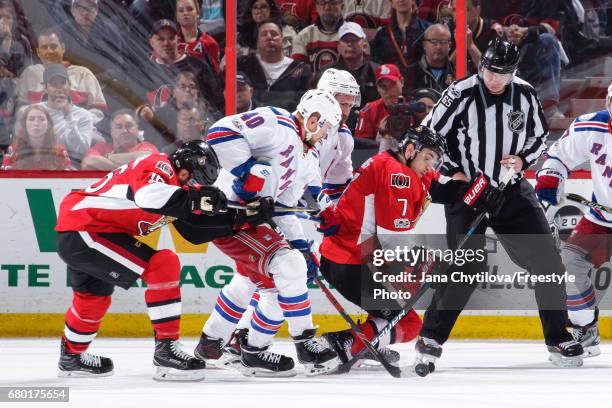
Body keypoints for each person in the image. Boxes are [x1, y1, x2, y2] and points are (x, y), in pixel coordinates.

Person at [415, 35, 584, 374]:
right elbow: (427, 135)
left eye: (502, 73)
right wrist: (455, 172)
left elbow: (539, 137)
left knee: (547, 260)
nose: (495, 79)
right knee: (466, 266)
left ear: (513, 72)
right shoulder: (460, 93)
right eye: (490, 71)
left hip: (510, 191)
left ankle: (557, 336)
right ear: (482, 67)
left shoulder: (524, 93)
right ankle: (430, 338)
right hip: (468, 193)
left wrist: (522, 161)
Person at [320, 126, 502, 369]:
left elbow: (442, 189)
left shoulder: (405, 167)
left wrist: (477, 191)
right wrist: (430, 266)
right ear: (409, 149)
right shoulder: (397, 174)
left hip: (348, 258)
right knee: (408, 325)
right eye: (428, 157)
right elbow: (391, 241)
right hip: (350, 264)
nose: (430, 165)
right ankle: (344, 344)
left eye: (435, 160)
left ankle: (361, 344)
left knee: (396, 319)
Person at [192, 90, 343, 377]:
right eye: (325, 127)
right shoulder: (277, 121)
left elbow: (283, 208)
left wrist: (300, 244)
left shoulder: (304, 157)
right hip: (226, 214)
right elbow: (219, 133)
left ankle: (213, 343)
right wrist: (245, 169)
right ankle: (294, 344)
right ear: (313, 119)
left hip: (248, 220)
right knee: (287, 266)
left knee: (255, 280)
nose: (325, 136)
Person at [54, 140, 233, 380]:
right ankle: (166, 350)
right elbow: (148, 195)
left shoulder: (175, 190)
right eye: (193, 180)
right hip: (87, 228)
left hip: (85, 229)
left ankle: (71, 357)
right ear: (185, 167)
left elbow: (194, 232)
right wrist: (194, 198)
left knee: (93, 297)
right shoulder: (160, 165)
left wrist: (242, 218)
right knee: (163, 263)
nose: (193, 186)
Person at [535, 83, 612, 359]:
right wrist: (550, 177)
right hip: (601, 220)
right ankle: (586, 328)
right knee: (569, 266)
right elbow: (558, 156)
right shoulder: (591, 126)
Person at [17, 27, 107, 124]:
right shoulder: (30, 74)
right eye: (44, 48)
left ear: (63, 48)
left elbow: (99, 111)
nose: (49, 51)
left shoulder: (83, 74)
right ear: (38, 52)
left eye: (53, 46)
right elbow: (20, 109)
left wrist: (76, 122)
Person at [16, 64, 96, 166]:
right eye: (53, 84)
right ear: (45, 87)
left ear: (69, 85)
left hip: (71, 170)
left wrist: (69, 115)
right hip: (34, 167)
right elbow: (21, 145)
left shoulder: (84, 115)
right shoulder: (31, 112)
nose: (59, 88)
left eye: (62, 83)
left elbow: (81, 150)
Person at [238, 19, 312, 111]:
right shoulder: (244, 64)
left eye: (274, 34)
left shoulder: (301, 69)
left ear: (283, 40)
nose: (269, 37)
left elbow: (305, 102)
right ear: (257, 42)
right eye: (264, 34)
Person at [81, 110, 158, 170]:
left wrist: (109, 157)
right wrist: (128, 168)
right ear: (111, 131)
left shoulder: (146, 146)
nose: (124, 130)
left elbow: (148, 158)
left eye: (129, 126)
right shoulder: (101, 146)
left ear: (137, 129)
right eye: (119, 127)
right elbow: (88, 162)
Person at [2, 104, 71, 170]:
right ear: (25, 124)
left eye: (41, 119)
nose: (36, 123)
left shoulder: (60, 152)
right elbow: (6, 179)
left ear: (48, 125)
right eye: (31, 119)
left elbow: (67, 180)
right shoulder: (13, 151)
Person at [291, 0, 344, 73]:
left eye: (332, 2)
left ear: (342, 6)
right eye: (322, 3)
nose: (327, 7)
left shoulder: (351, 35)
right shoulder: (304, 36)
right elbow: (297, 72)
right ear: (316, 7)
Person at [355, 63, 403, 141]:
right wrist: (377, 143)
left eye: (392, 84)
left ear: (402, 82)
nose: (387, 90)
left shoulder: (415, 107)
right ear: (377, 88)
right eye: (383, 86)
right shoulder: (369, 111)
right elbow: (360, 145)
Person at [175, 0, 221, 74]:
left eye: (190, 9)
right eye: (181, 10)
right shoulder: (169, 41)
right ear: (177, 16)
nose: (185, 13)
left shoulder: (210, 43)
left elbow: (215, 75)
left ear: (198, 14)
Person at [414, 24, 455, 93]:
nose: (438, 47)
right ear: (424, 45)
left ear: (450, 46)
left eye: (443, 42)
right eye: (434, 42)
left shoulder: (457, 71)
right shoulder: (411, 73)